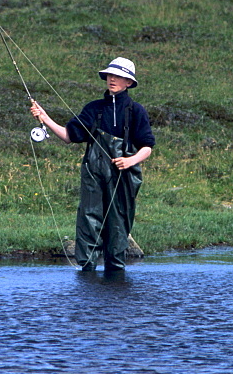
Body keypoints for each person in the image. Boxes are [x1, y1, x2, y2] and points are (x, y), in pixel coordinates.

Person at [31, 57, 155, 271]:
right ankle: (87, 269)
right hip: (93, 172)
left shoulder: (136, 111)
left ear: (129, 83)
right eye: (110, 75)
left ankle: (115, 271)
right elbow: (69, 136)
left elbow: (147, 146)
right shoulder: (94, 109)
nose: (113, 79)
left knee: (119, 222)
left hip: (123, 174)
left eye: (119, 76)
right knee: (89, 218)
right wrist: (45, 118)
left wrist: (130, 161)